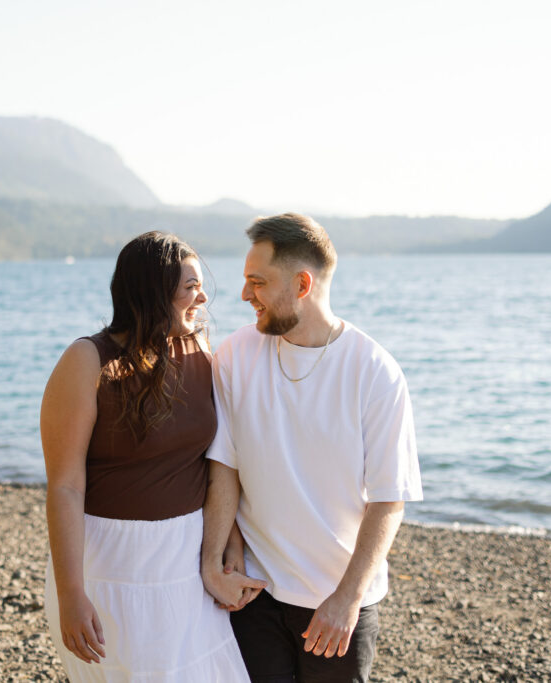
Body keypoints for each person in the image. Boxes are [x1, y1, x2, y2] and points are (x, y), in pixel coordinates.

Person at [201, 213, 423, 682]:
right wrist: (215, 559)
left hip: (336, 602)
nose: (244, 295)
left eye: (257, 282)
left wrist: (347, 598)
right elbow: (225, 466)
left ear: (302, 284)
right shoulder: (235, 356)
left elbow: (388, 501)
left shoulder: (375, 372)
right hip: (255, 596)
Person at [42, 231, 262, 682]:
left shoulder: (197, 351)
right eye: (189, 287)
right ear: (151, 290)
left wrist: (228, 546)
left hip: (185, 559)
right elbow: (65, 485)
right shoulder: (87, 360)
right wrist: (70, 594)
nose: (202, 297)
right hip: (110, 565)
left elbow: (216, 461)